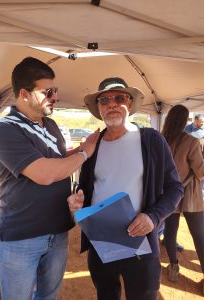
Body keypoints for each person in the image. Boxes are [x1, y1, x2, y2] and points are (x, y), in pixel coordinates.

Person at [0, 57, 99, 300]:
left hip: (58, 231)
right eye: (47, 92)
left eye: (55, 90)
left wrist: (78, 150)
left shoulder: (50, 125)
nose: (54, 97)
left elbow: (58, 159)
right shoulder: (4, 130)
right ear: (24, 94)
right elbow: (45, 173)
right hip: (21, 238)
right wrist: (83, 153)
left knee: (48, 296)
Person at [67, 77, 183, 300]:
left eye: (119, 98)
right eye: (105, 100)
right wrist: (78, 199)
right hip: (101, 241)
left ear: (129, 104)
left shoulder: (151, 140)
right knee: (106, 294)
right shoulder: (93, 143)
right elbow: (85, 186)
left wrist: (153, 217)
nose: (111, 104)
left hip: (141, 241)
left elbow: (175, 188)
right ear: (99, 108)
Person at [162, 105, 204, 294]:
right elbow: (200, 173)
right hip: (190, 196)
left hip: (168, 194)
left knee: (170, 233)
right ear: (185, 120)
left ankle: (173, 266)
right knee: (200, 236)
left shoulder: (160, 139)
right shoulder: (192, 142)